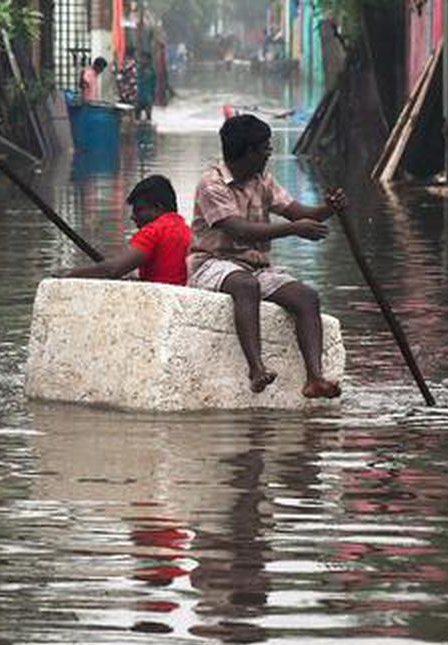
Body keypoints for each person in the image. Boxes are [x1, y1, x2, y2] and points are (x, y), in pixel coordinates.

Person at [187, 114, 345, 398]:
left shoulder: (263, 180)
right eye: (265, 148)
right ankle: (256, 369)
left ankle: (315, 378)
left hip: (254, 266)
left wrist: (328, 209)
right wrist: (292, 230)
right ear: (248, 152)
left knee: (307, 297)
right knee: (247, 286)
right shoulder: (212, 184)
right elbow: (239, 230)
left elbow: (298, 213)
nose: (269, 154)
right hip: (211, 263)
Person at [59, 175, 191, 285]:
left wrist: (69, 275)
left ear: (157, 208)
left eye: (139, 210)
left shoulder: (153, 231)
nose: (133, 217)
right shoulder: (188, 231)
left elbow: (114, 270)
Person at [136, 52, 157, 121]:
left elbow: (154, 85)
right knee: (137, 117)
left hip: (148, 98)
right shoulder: (136, 70)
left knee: (148, 117)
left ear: (149, 60)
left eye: (145, 59)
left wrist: (154, 97)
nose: (143, 60)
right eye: (142, 58)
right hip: (138, 97)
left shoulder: (152, 71)